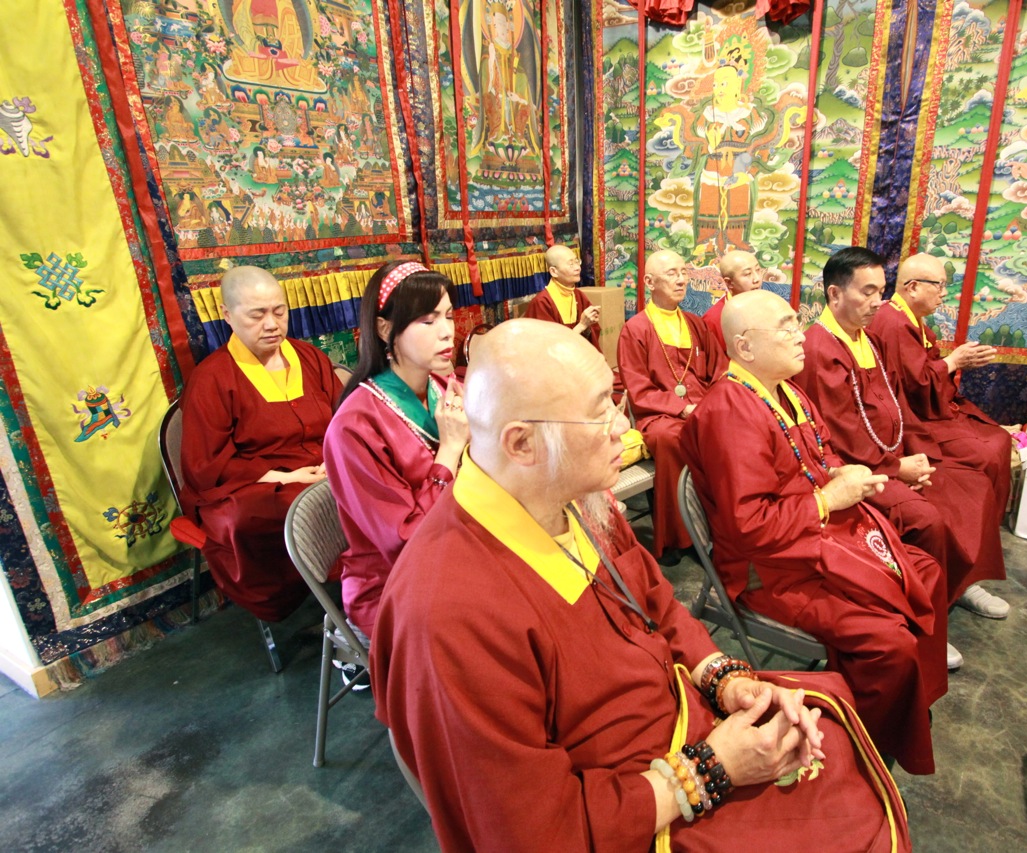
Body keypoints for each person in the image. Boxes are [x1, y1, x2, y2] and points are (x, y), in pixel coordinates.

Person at [370, 319, 912, 851]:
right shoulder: (447, 612)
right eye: (600, 412)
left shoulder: (569, 494)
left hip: (678, 716)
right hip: (635, 801)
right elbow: (530, 831)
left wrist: (724, 681)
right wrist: (711, 769)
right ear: (522, 444)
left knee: (831, 736)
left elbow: (657, 602)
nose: (623, 430)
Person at [681, 290, 948, 775]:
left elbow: (821, 455)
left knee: (924, 570)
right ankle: (865, 750)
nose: (800, 336)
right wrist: (828, 500)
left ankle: (906, 708)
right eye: (785, 327)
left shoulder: (786, 390)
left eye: (796, 324)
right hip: (771, 569)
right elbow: (750, 526)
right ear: (744, 347)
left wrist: (844, 473)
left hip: (814, 537)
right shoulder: (729, 413)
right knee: (890, 643)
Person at [794, 248, 1005, 671]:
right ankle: (923, 622)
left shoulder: (866, 337)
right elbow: (843, 433)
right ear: (835, 294)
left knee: (970, 481)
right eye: (867, 292)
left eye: (881, 291)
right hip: (854, 469)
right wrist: (897, 470)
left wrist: (912, 457)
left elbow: (893, 403)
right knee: (928, 520)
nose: (878, 302)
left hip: (889, 455)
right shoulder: (822, 348)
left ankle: (957, 583)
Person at [179, 266, 343, 622]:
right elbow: (206, 465)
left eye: (279, 311)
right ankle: (309, 595)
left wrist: (335, 460)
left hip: (325, 466)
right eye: (257, 315)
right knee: (270, 513)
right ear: (226, 315)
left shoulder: (310, 358)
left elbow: (344, 420)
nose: (272, 324)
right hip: (261, 484)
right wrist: (287, 477)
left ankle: (367, 581)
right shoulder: (212, 379)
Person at [323, 262, 469, 643]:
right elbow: (403, 542)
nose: (447, 331)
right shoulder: (354, 427)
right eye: (428, 320)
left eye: (449, 315)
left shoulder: (443, 386)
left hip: (458, 545)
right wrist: (451, 450)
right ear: (385, 329)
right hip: (396, 582)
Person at [870, 252, 1013, 620]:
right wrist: (953, 362)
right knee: (980, 462)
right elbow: (914, 386)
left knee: (997, 443)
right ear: (912, 287)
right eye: (939, 285)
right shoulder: (891, 322)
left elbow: (916, 378)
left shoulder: (909, 320)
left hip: (922, 411)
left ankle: (965, 577)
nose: (944, 293)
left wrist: (952, 364)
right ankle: (956, 579)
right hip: (910, 421)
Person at [617, 249, 726, 561]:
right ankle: (681, 539)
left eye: (684, 272)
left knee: (731, 431)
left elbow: (719, 372)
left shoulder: (695, 324)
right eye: (672, 274)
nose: (681, 280)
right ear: (650, 282)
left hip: (702, 407)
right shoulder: (636, 329)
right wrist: (682, 408)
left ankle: (722, 528)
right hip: (660, 415)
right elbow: (639, 388)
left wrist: (714, 405)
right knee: (672, 439)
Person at [523, 244, 602, 348]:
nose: (578, 268)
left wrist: (588, 326)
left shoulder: (579, 295)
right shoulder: (542, 302)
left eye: (577, 261)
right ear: (554, 272)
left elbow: (594, 330)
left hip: (579, 354)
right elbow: (547, 346)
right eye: (570, 264)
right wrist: (581, 326)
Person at [703, 249, 765, 355]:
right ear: (729, 283)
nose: (757, 279)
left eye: (758, 270)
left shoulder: (767, 307)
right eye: (747, 274)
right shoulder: (714, 319)